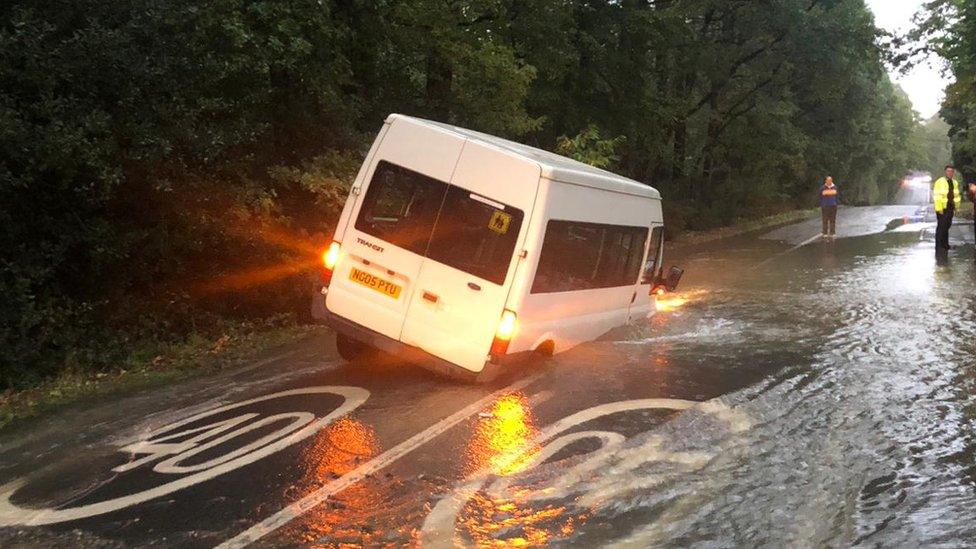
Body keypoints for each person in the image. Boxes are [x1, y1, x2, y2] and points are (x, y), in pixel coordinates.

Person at [933, 165, 962, 251]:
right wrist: (939, 209)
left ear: (953, 173)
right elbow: (937, 196)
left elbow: (956, 196)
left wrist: (957, 207)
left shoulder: (954, 182)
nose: (950, 173)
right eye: (948, 171)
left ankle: (945, 245)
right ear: (945, 172)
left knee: (947, 226)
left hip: (950, 207)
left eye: (951, 171)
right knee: (941, 227)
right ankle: (939, 246)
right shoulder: (940, 182)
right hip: (942, 208)